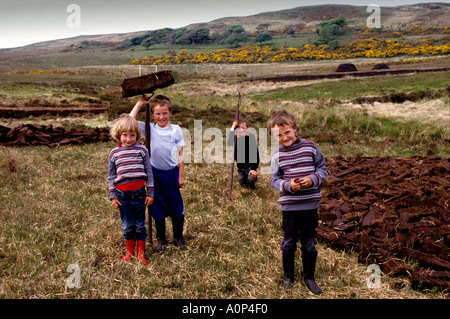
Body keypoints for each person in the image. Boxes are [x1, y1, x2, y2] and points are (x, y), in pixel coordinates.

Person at [268, 110, 327, 294]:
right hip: (290, 207)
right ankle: (288, 277)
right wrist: (287, 185)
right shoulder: (277, 155)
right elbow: (274, 179)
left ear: (295, 129)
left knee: (309, 242)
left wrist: (313, 179)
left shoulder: (310, 147)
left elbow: (322, 168)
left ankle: (309, 277)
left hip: (310, 205)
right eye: (279, 135)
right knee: (289, 242)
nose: (284, 137)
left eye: (287, 132)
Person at [130, 94, 186, 252]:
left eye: (165, 113)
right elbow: (129, 120)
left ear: (171, 112)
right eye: (157, 113)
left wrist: (180, 176)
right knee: (157, 205)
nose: (161, 117)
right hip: (154, 174)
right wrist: (140, 103)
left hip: (171, 173)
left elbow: (181, 153)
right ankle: (161, 240)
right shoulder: (149, 128)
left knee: (175, 205)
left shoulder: (176, 130)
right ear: (153, 115)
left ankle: (178, 238)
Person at [108, 115, 154, 265]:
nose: (128, 139)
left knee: (140, 224)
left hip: (140, 193)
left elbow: (149, 172)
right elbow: (111, 176)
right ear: (118, 135)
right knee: (128, 225)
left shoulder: (142, 150)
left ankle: (141, 253)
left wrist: (150, 193)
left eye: (132, 135)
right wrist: (113, 196)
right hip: (122, 195)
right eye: (125, 135)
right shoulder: (114, 153)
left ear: (137, 135)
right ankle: (130, 251)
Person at [227, 118, 260, 190]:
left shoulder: (250, 138)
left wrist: (253, 168)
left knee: (251, 179)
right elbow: (229, 142)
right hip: (240, 166)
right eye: (238, 128)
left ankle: (252, 185)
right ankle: (244, 183)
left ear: (247, 128)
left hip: (250, 165)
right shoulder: (236, 138)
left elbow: (255, 154)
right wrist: (233, 127)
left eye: (243, 128)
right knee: (242, 184)